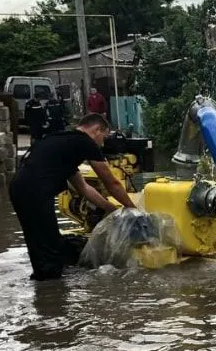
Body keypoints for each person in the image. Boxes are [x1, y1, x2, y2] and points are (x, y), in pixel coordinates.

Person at [8, 113, 137, 281]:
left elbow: (84, 188)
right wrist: (133, 209)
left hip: (19, 189)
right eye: (103, 138)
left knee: (43, 243)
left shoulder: (63, 142)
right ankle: (50, 295)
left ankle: (45, 288)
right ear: (97, 130)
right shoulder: (85, 142)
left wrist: (111, 209)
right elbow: (111, 183)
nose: (102, 143)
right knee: (49, 253)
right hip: (34, 192)